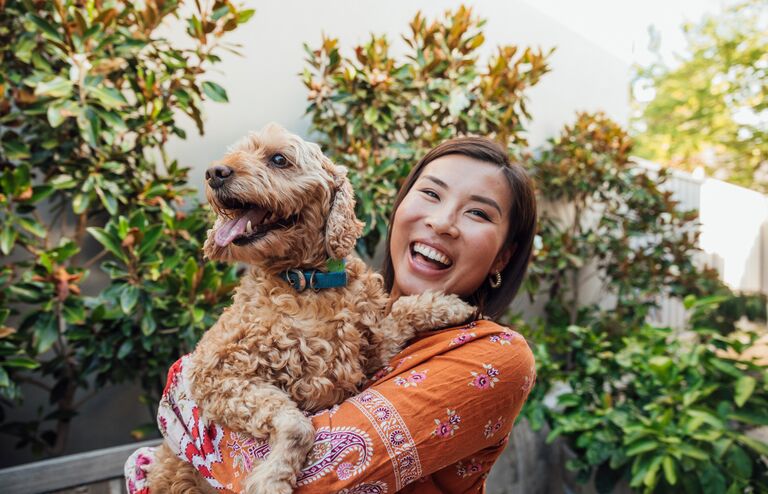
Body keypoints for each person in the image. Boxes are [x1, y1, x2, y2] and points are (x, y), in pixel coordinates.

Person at [125, 136, 538, 494]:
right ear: (400, 207)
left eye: (478, 213)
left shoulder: (496, 356)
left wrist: (187, 401)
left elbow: (324, 480)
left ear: (504, 255)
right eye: (431, 194)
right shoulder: (345, 302)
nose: (442, 221)